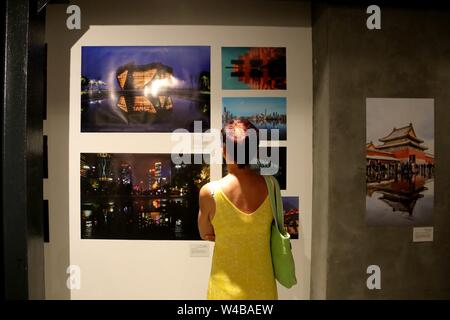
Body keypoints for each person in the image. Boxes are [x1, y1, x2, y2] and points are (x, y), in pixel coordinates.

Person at [197, 119, 278, 300]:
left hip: (223, 292)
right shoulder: (272, 186)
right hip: (263, 290)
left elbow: (206, 233)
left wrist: (226, 231)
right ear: (254, 151)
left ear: (224, 151)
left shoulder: (209, 193)